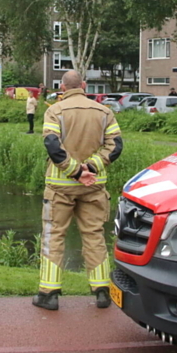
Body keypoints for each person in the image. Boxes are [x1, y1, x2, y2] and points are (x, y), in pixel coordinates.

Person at [34, 70, 123, 311]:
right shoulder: (104, 111)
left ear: (62, 87)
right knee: (94, 235)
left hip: (60, 186)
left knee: (54, 237)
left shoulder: (55, 110)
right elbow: (115, 146)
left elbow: (52, 145)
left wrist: (74, 171)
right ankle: (102, 291)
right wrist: (91, 167)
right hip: (94, 185)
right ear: (83, 85)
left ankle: (49, 294)